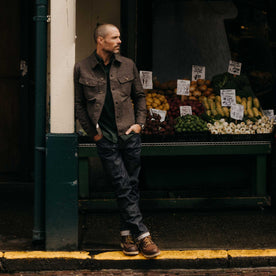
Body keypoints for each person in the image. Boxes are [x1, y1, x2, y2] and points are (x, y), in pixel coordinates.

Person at [74, 23, 160, 258]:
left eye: (120, 37)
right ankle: (142, 235)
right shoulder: (82, 68)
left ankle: (126, 235)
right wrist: (94, 134)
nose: (119, 41)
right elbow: (80, 105)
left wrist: (139, 124)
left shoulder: (128, 65)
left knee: (130, 185)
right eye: (115, 37)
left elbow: (140, 96)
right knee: (122, 185)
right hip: (106, 138)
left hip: (129, 134)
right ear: (100, 40)